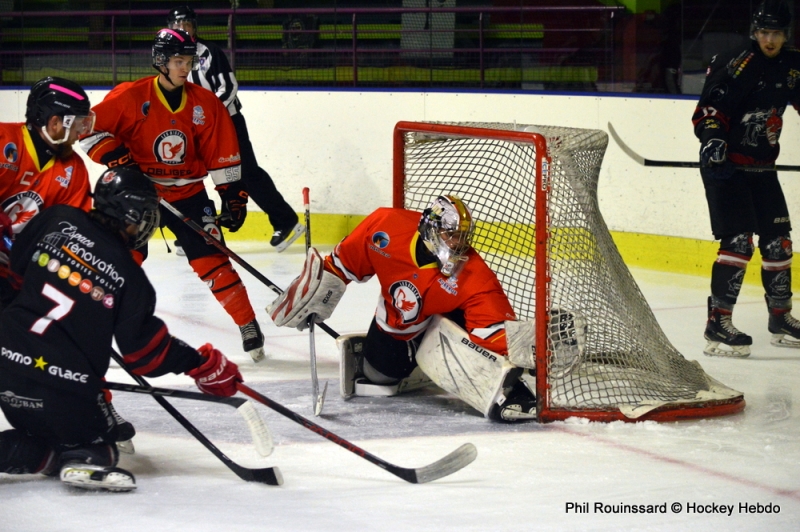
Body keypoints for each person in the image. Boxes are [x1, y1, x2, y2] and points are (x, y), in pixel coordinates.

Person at [0, 167, 243, 492]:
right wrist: (199, 363)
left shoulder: (56, 217)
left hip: (5, 364)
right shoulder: (130, 276)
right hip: (63, 386)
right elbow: (146, 355)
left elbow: (15, 271)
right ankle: (83, 460)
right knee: (102, 444)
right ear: (132, 213)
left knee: (40, 437)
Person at [80, 28, 267, 362]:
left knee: (212, 260)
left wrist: (232, 196)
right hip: (138, 195)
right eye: (178, 60)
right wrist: (117, 156)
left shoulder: (205, 103)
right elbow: (88, 128)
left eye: (189, 61)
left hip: (190, 195)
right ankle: (99, 323)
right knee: (124, 261)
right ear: (161, 62)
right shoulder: (131, 97)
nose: (185, 68)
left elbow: (222, 151)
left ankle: (247, 323)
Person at [268, 195, 538, 422]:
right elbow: (341, 265)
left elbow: (490, 331)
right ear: (431, 228)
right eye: (451, 234)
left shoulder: (474, 275)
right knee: (379, 376)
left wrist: (536, 345)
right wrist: (316, 295)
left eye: (462, 237)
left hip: (442, 322)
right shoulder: (386, 225)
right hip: (396, 330)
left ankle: (435, 353)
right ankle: (414, 357)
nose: (457, 243)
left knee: (467, 335)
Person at [692, 0, 800, 358]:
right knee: (738, 242)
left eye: (777, 33)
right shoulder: (738, 60)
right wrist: (713, 139)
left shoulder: (791, 63)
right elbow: (709, 108)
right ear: (755, 32)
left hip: (761, 166)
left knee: (778, 243)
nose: (770, 39)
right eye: (764, 32)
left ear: (786, 35)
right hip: (726, 167)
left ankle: (781, 318)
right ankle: (718, 324)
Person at [167, 5, 305, 254]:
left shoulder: (208, 52)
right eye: (178, 24)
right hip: (194, 130)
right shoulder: (170, 57)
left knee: (246, 173)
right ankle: (197, 229)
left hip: (226, 124)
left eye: (187, 24)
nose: (183, 28)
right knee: (191, 175)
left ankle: (286, 221)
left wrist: (211, 118)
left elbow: (228, 87)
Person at [0, 76, 95, 303]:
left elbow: (72, 233)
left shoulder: (75, 170)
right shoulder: (4, 142)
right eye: (77, 124)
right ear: (55, 123)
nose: (80, 133)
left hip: (19, 275)